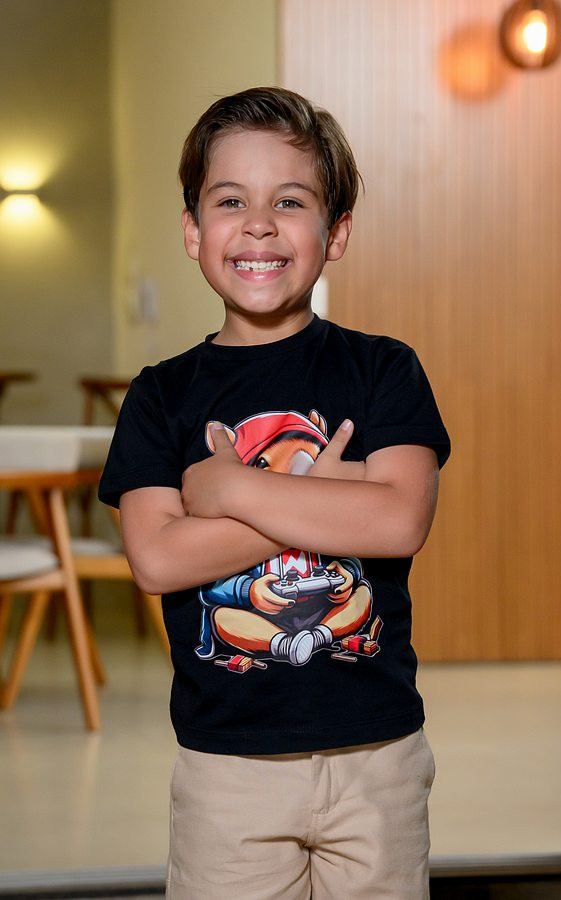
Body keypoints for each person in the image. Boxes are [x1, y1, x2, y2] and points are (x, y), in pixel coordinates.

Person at [99, 86, 450, 900]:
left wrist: (230, 489)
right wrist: (319, 494)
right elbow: (158, 559)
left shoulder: (385, 369)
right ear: (193, 231)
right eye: (231, 201)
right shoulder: (160, 396)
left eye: (290, 202)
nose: (259, 224)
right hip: (228, 768)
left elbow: (399, 518)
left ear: (337, 233)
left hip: (377, 755)